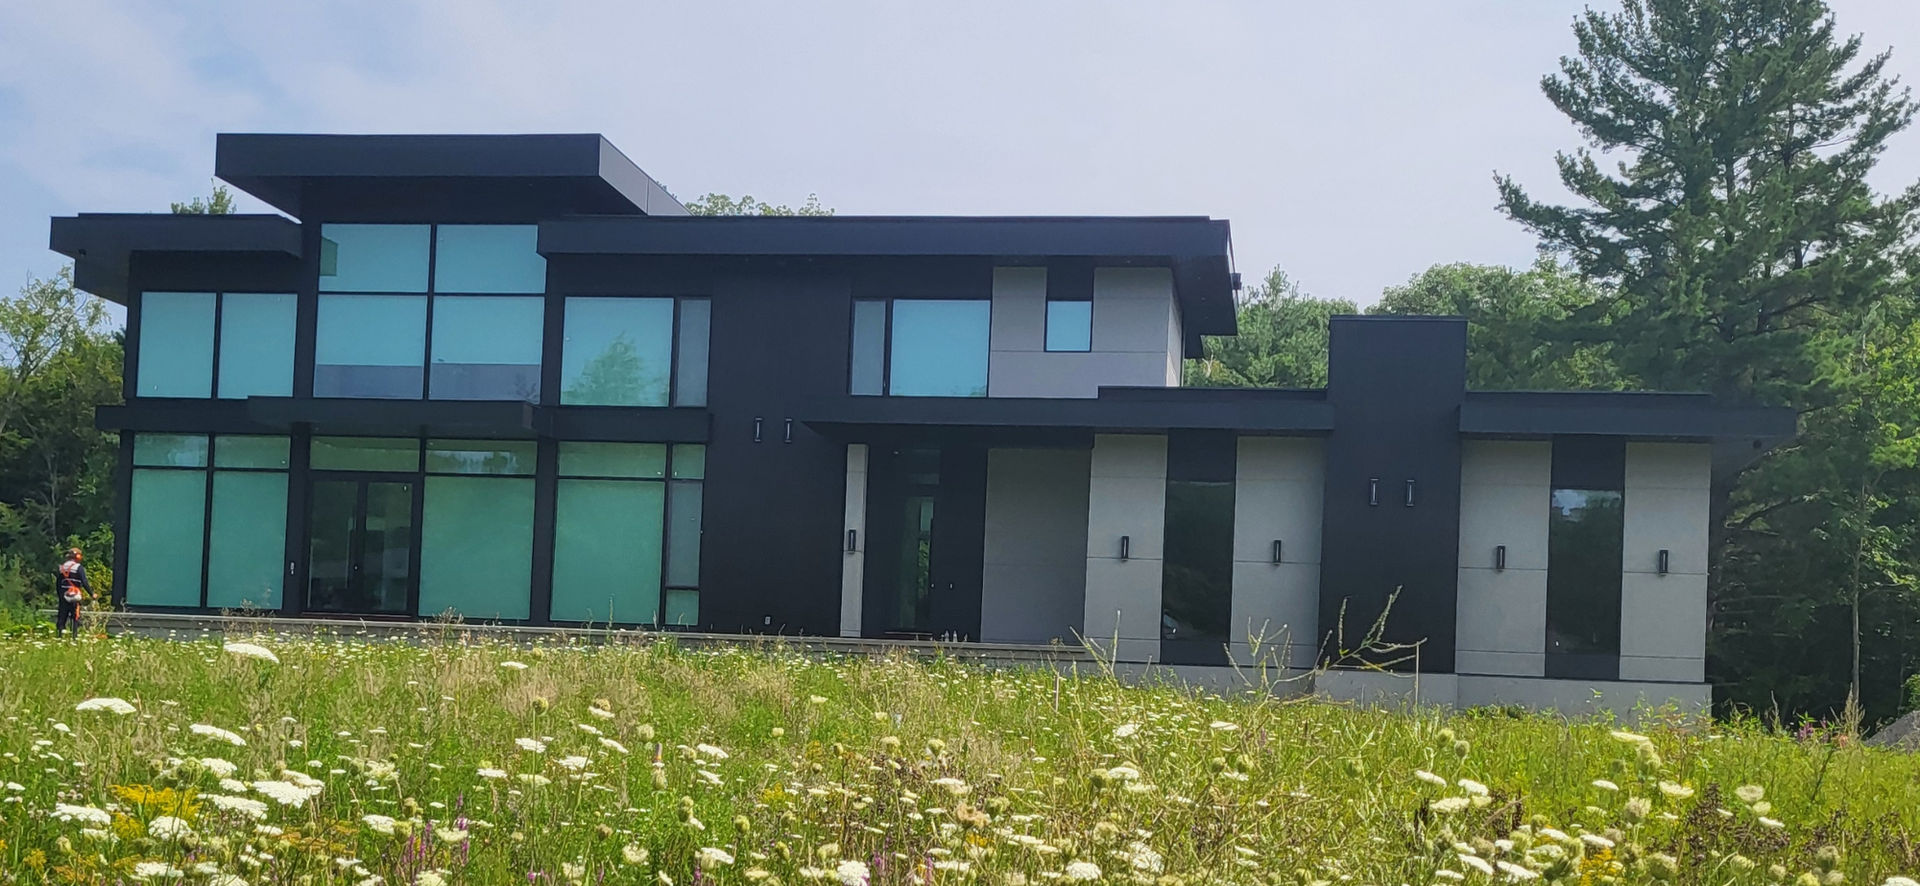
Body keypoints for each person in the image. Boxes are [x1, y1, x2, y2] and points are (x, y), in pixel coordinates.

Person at [55, 547, 88, 639]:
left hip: (64, 595)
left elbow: (58, 584)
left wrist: (60, 596)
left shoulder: (62, 567)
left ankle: (60, 636)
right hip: (74, 596)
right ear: (77, 556)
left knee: (62, 616)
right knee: (75, 616)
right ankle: (74, 636)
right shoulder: (78, 567)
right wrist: (92, 593)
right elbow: (84, 582)